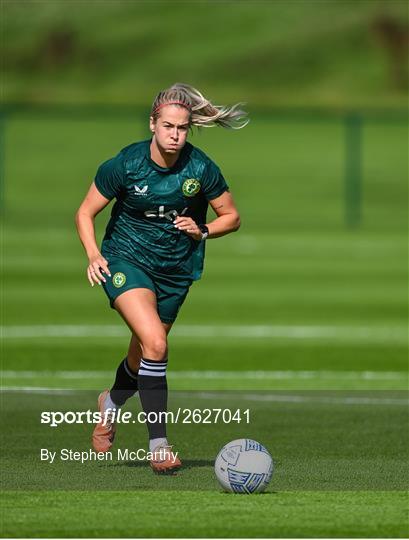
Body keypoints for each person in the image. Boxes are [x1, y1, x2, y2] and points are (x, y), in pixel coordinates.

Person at [75, 83, 248, 474]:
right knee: (156, 343)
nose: (175, 134)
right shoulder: (126, 164)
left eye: (182, 128)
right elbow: (85, 213)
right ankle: (159, 446)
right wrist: (94, 254)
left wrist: (203, 230)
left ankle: (111, 404)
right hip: (125, 261)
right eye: (168, 126)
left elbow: (232, 217)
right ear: (152, 124)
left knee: (142, 353)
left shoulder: (201, 168)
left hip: (175, 272)